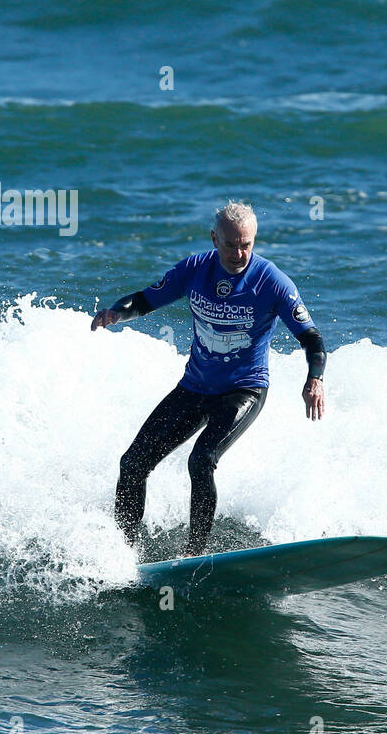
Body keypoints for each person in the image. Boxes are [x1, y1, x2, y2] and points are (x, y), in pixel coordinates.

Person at [91, 202, 326, 557]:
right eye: (230, 244)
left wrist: (315, 379)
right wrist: (116, 313)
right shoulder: (194, 269)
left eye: (246, 244)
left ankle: (196, 553)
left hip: (243, 389)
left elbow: (312, 339)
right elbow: (146, 299)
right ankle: (123, 553)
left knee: (201, 460)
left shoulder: (272, 282)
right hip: (194, 387)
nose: (239, 253)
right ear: (214, 239)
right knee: (132, 464)